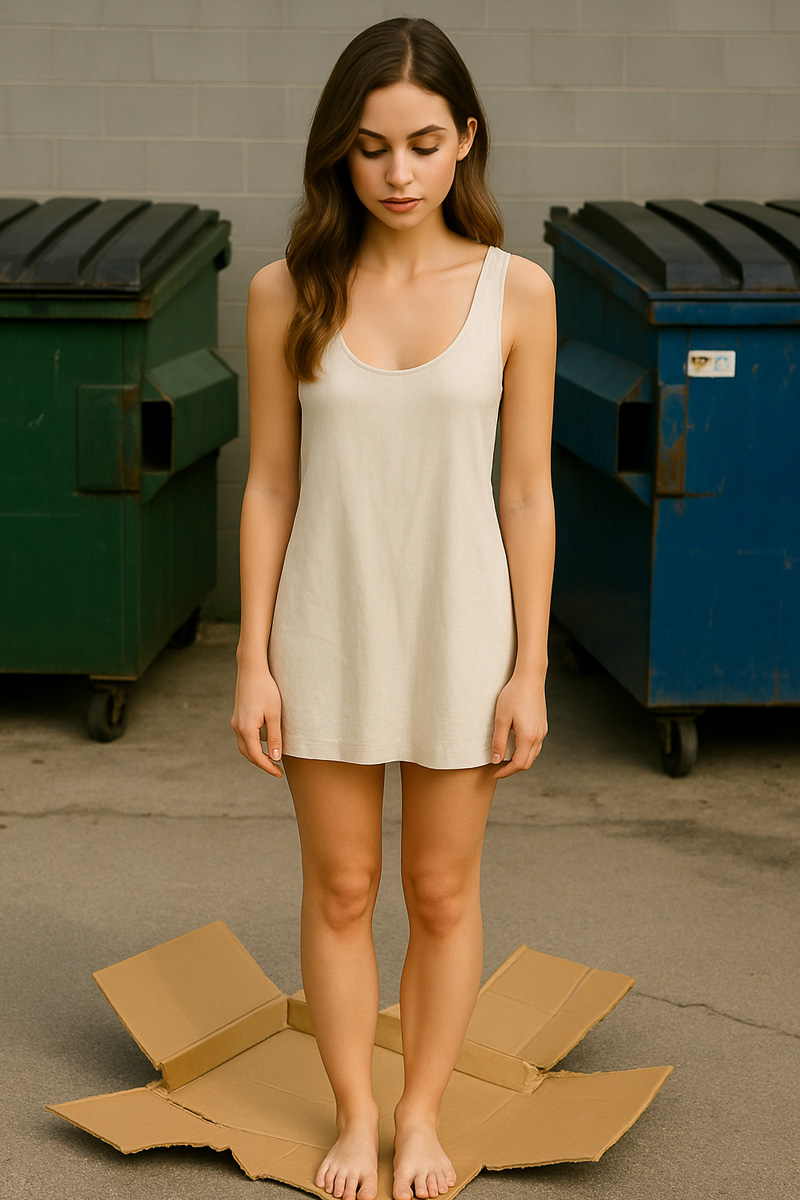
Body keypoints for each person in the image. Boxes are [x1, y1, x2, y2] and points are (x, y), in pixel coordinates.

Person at [231, 16, 556, 1200]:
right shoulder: (285, 290)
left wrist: (527, 668)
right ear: (339, 154)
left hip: (462, 631)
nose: (400, 174)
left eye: (424, 143)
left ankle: (421, 1117)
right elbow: (269, 484)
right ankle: (356, 1117)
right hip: (328, 625)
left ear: (465, 141)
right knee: (340, 889)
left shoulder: (518, 292)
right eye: (371, 149)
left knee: (438, 890)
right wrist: (253, 660)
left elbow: (526, 494)